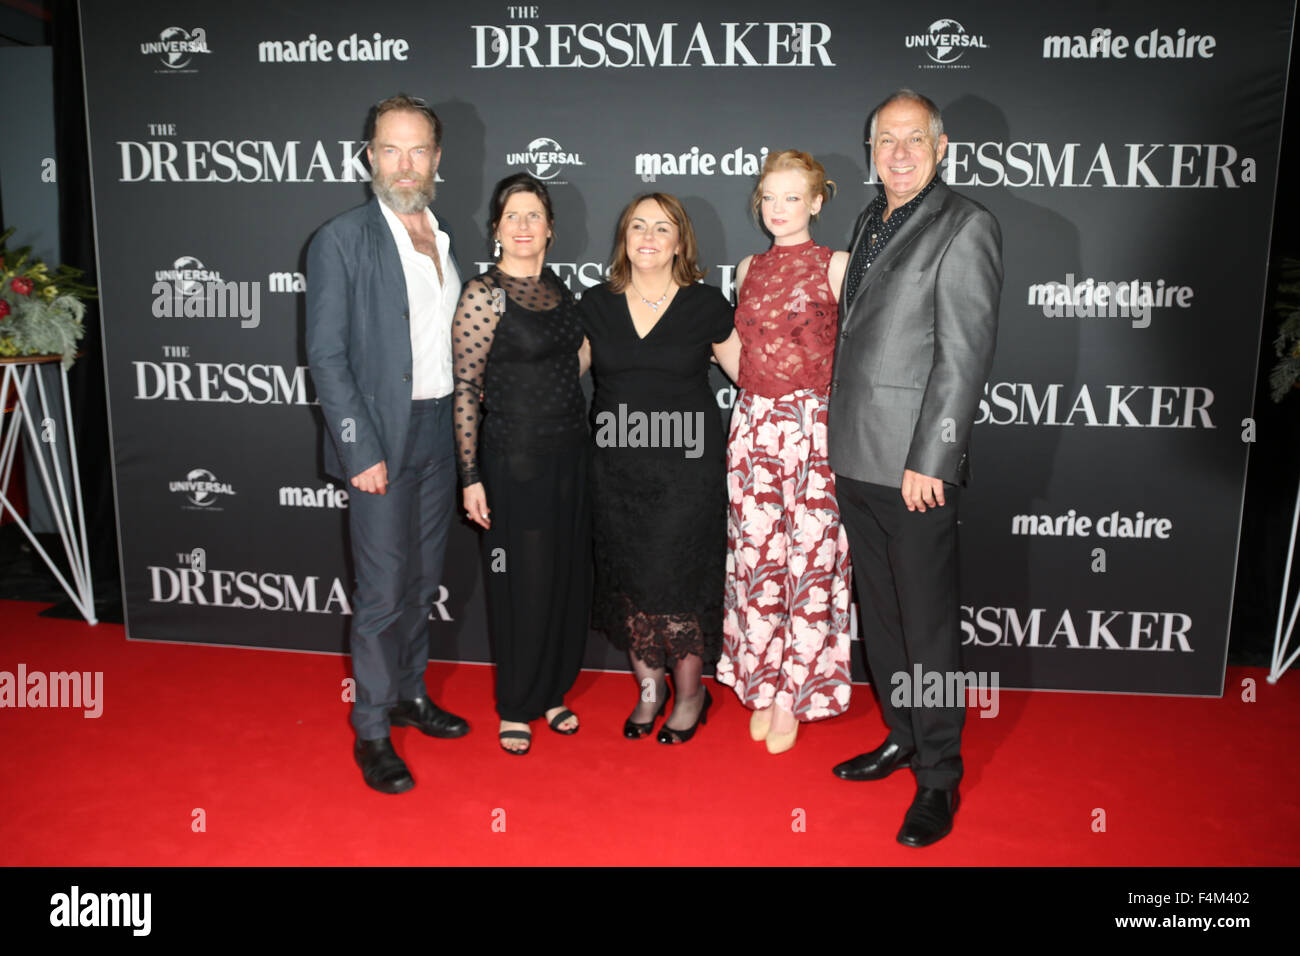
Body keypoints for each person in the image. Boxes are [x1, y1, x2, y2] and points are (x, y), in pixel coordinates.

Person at [828, 90, 1002, 846]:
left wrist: (933, 457)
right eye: (884, 140)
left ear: (940, 148)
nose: (896, 152)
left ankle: (938, 776)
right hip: (857, 456)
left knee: (928, 626)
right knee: (887, 616)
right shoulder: (871, 220)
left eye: (912, 140)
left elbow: (962, 358)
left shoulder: (965, 225)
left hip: (914, 468)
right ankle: (901, 732)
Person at [306, 94, 469, 795]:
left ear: (437, 158)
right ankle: (372, 729)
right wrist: (358, 449)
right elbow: (327, 358)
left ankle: (410, 695)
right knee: (380, 593)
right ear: (369, 155)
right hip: (380, 438)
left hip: (437, 431)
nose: (405, 164)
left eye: (419, 150)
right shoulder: (341, 239)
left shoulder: (444, 234)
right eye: (390, 149)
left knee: (422, 581)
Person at [580, 193, 740, 744]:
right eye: (638, 226)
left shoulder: (706, 305)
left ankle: (691, 693)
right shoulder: (595, 304)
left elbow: (754, 376)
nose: (648, 237)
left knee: (678, 583)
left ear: (680, 241)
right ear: (624, 237)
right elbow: (558, 373)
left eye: (662, 228)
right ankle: (649, 693)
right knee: (630, 583)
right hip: (616, 471)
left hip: (686, 474)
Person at [716, 150, 854, 755]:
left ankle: (795, 693)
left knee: (811, 562)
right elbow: (741, 359)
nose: (778, 209)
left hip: (817, 429)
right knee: (758, 561)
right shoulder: (747, 268)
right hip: (753, 429)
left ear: (817, 202)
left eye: (792, 197)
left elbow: (862, 355)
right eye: (769, 197)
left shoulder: (839, 265)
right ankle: (762, 679)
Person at [454, 173, 590, 755]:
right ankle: (516, 702)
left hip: (571, 455)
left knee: (563, 577)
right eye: (513, 215)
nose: (524, 226)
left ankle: (553, 691)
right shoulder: (483, 294)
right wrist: (470, 475)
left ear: (551, 230)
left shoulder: (562, 292)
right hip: (514, 460)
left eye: (535, 215)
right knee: (521, 582)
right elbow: (465, 387)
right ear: (496, 230)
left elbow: (573, 362)